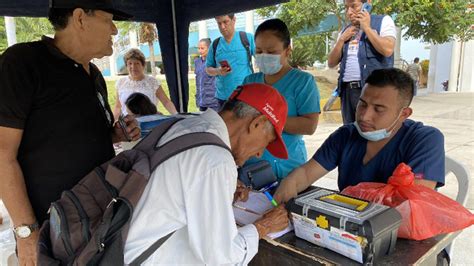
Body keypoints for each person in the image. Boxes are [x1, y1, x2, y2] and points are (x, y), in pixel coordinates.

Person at [0, 1, 139, 264]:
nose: (114, 31)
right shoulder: (22, 63)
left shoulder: (94, 74)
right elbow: (1, 153)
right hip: (50, 234)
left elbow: (75, 137)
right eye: (108, 19)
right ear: (80, 18)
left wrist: (116, 134)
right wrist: (26, 232)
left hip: (100, 223)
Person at [124, 83, 290, 264]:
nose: (259, 153)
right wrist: (263, 227)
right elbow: (221, 258)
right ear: (257, 123)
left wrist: (222, 194)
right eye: (267, 142)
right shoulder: (215, 159)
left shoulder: (186, 124)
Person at [274, 68, 445, 203]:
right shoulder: (346, 136)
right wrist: (290, 183)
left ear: (403, 114)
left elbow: (412, 203)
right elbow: (305, 174)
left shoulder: (425, 140)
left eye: (378, 109)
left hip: (400, 236)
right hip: (349, 229)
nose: (364, 116)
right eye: (362, 105)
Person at [242, 18, 321, 180]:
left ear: (287, 50)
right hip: (252, 167)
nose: (264, 57)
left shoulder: (303, 81)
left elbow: (310, 125)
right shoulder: (250, 82)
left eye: (271, 52)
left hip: (288, 168)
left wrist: (268, 121)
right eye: (259, 51)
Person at [328, 0, 396, 125]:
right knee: (350, 133)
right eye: (346, 8)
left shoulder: (383, 21)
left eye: (354, 6)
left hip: (373, 91)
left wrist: (367, 28)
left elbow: (387, 49)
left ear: (367, 4)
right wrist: (341, 40)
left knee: (372, 131)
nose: (349, 12)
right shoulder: (345, 31)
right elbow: (331, 63)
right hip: (348, 92)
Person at [205, 13, 255, 109]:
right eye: (219, 23)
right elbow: (208, 69)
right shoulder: (215, 45)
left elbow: (262, 61)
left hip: (245, 95)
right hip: (223, 98)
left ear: (234, 20)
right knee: (223, 124)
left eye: (225, 22)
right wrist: (218, 71)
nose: (222, 27)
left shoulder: (247, 38)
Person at [113, 48, 177, 119]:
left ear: (143, 65)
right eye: (130, 63)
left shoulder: (153, 82)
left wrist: (176, 115)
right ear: (126, 66)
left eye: (137, 63)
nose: (133, 67)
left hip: (149, 124)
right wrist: (113, 124)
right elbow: (118, 107)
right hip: (128, 125)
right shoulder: (121, 83)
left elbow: (166, 102)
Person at [194, 38, 219, 111]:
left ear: (209, 48)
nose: (200, 51)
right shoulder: (197, 62)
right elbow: (197, 80)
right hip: (201, 101)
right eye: (198, 48)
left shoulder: (215, 62)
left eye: (202, 48)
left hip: (213, 102)